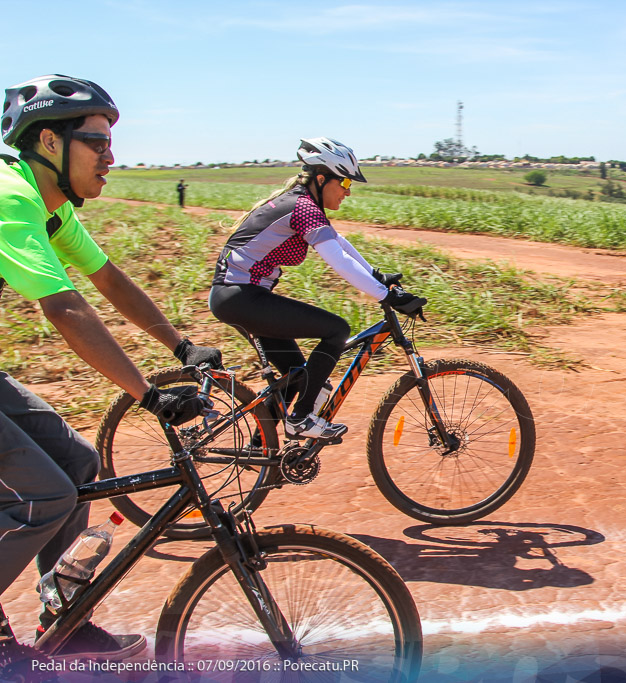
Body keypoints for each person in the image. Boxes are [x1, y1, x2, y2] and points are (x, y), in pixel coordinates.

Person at [0, 74, 222, 669]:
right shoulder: (10, 195)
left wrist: (181, 347)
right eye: (96, 142)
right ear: (50, 142)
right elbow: (65, 308)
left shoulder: (49, 208)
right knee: (43, 495)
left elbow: (107, 281)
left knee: (77, 465)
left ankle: (65, 620)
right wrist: (148, 396)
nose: (111, 157)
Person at [209, 137, 426, 439]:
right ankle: (300, 420)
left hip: (239, 296)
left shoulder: (304, 204)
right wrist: (387, 295)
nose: (348, 191)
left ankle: (263, 448)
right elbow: (338, 261)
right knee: (336, 330)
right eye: (346, 182)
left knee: (298, 376)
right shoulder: (302, 207)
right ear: (322, 178)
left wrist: (377, 274)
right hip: (240, 296)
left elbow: (339, 243)